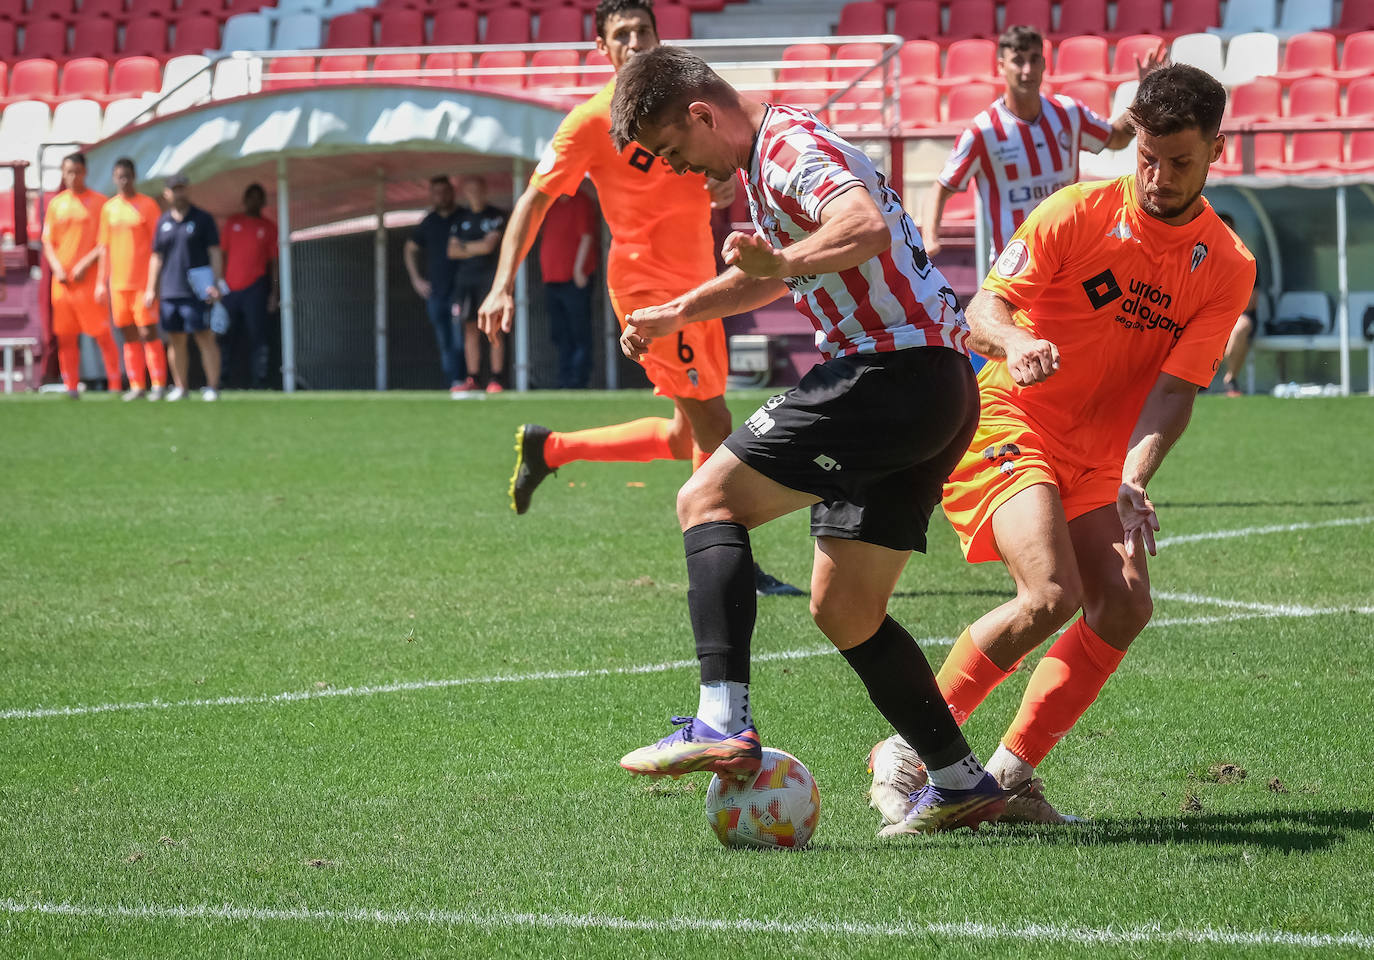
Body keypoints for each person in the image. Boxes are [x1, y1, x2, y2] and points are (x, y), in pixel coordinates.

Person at [608, 46, 1006, 836]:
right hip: (935, 387)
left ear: (701, 114)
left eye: (679, 153)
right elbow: (774, 275)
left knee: (705, 498)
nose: (685, 170)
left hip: (887, 375)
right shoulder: (766, 161)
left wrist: (785, 257)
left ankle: (721, 719)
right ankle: (962, 781)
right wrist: (672, 314)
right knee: (846, 608)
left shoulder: (787, 149)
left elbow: (855, 227)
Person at [866, 64, 1256, 826]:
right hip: (1007, 419)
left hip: (1099, 459)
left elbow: (1176, 390)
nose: (1159, 177)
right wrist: (1014, 341)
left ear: (1217, 149)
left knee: (1124, 604)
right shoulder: (1075, 211)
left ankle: (1006, 780)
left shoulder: (1228, 266)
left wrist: (1135, 475)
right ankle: (909, 751)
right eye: (1147, 157)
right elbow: (981, 307)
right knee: (1051, 593)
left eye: (1180, 162)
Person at [478, 0, 801, 598]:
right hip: (647, 291)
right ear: (602, 48)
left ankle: (551, 449)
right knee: (718, 423)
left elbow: (723, 173)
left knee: (688, 437)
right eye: (620, 35)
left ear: (659, 36)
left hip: (701, 289)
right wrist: (501, 284)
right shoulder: (589, 121)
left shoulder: (685, 111)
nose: (634, 42)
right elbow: (535, 199)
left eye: (643, 31)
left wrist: (723, 182)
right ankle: (727, 561)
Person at [922, 25, 1164, 264]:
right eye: (1018, 61)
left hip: (1068, 259)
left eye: (1034, 59)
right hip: (1014, 266)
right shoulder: (983, 131)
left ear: (1044, 64)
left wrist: (1143, 92)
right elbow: (940, 188)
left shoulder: (1068, 113)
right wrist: (929, 239)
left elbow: (1117, 137)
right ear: (1001, 67)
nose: (1027, 70)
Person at [41, 152, 121, 398]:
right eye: (68, 172)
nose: (73, 176)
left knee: (102, 334)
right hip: (63, 283)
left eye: (77, 171)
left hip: (88, 282)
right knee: (66, 337)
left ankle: (115, 385)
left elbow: (104, 242)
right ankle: (71, 386)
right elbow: (47, 240)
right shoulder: (56, 204)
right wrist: (56, 267)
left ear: (85, 172)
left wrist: (86, 264)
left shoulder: (100, 203)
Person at [146, 174, 224, 402]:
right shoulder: (163, 222)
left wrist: (216, 283)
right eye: (174, 189)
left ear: (187, 190)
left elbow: (214, 252)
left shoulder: (203, 219)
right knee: (175, 339)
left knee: (204, 336)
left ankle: (212, 387)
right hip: (171, 290)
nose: (178, 193)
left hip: (197, 290)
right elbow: (156, 257)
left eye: (182, 188)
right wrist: (151, 288)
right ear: (167, 193)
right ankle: (181, 387)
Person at [96, 157, 168, 401]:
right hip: (118, 284)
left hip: (142, 283)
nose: (123, 180)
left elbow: (158, 248)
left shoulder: (147, 206)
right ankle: (137, 384)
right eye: (119, 176)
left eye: (127, 176)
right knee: (128, 335)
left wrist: (153, 285)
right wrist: (100, 282)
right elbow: (104, 248)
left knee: (148, 331)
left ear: (134, 177)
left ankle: (158, 383)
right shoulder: (109, 209)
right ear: (114, 178)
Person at [404, 175, 467, 397]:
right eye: (436, 192)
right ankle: (452, 382)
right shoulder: (428, 222)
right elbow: (410, 248)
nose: (440, 196)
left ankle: (465, 380)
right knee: (444, 340)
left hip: (461, 289)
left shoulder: (464, 217)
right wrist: (416, 279)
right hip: (436, 292)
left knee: (461, 337)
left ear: (452, 192)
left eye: (444, 191)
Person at [450, 175, 508, 393]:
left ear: (484, 190)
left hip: (490, 281)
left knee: (493, 327)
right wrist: (476, 246)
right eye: (469, 189)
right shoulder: (460, 218)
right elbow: (451, 250)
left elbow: (488, 247)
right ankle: (472, 378)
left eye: (477, 189)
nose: (474, 193)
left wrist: (466, 247)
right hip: (465, 282)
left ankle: (496, 379)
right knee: (470, 329)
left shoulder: (495, 216)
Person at [218, 182, 279, 390]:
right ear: (244, 200)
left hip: (256, 288)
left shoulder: (269, 227)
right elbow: (221, 255)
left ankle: (259, 380)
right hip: (230, 289)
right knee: (225, 334)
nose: (253, 201)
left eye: (257, 197)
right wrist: (219, 284)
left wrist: (274, 292)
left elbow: (274, 262)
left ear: (262, 201)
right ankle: (221, 378)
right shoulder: (232, 223)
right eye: (249, 196)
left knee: (258, 335)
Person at [539, 182, 599, 389]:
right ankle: (564, 379)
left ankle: (578, 380)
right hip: (552, 279)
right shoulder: (550, 203)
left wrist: (578, 270)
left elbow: (586, 236)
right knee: (559, 333)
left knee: (578, 332)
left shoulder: (581, 201)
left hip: (574, 280)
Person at [1215, 212, 1260, 397]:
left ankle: (1230, 379)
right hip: (1215, 315)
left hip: (1240, 315)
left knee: (1240, 327)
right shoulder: (1204, 258)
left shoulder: (1246, 259)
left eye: (1228, 229)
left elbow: (1252, 302)